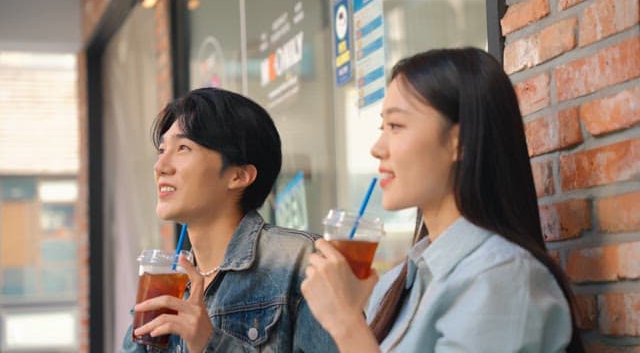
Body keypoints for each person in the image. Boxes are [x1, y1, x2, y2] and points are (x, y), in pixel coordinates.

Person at [301, 47, 584, 352]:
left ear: (459, 142)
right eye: (382, 128)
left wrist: (345, 322)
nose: (377, 147)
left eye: (396, 126)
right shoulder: (399, 281)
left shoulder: (501, 277)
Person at [121, 87, 336, 352]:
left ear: (239, 175)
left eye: (183, 148)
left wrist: (210, 343)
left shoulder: (299, 261)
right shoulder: (170, 281)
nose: (160, 166)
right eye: (162, 150)